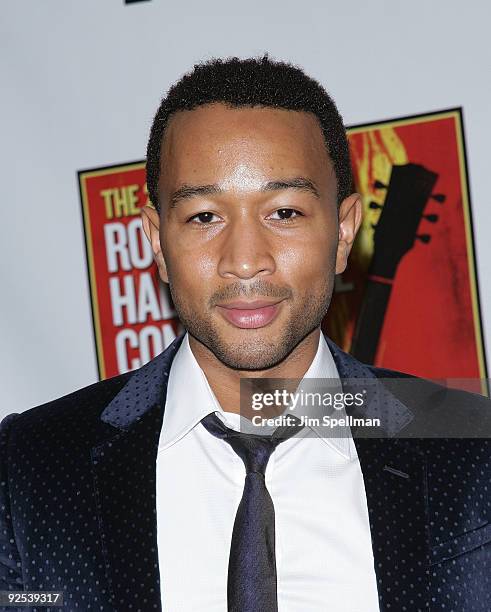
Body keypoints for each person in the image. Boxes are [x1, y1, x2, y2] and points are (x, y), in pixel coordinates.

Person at [1, 56, 490, 612]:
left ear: (344, 230)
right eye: (205, 217)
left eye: (283, 212)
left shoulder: (469, 445)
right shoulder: (29, 468)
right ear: (157, 242)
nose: (245, 261)